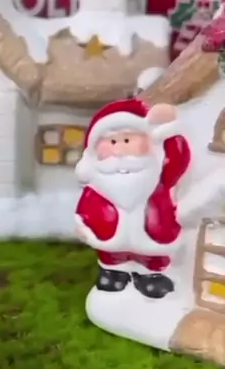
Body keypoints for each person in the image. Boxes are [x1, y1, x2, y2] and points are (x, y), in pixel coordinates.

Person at [74, 97, 191, 299]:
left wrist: (169, 130)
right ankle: (112, 272)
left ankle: (151, 276)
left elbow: (177, 160)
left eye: (127, 141)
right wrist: (83, 224)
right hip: (108, 236)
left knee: (152, 255)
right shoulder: (97, 178)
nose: (119, 151)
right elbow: (86, 204)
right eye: (112, 142)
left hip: (154, 229)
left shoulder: (156, 171)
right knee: (110, 254)